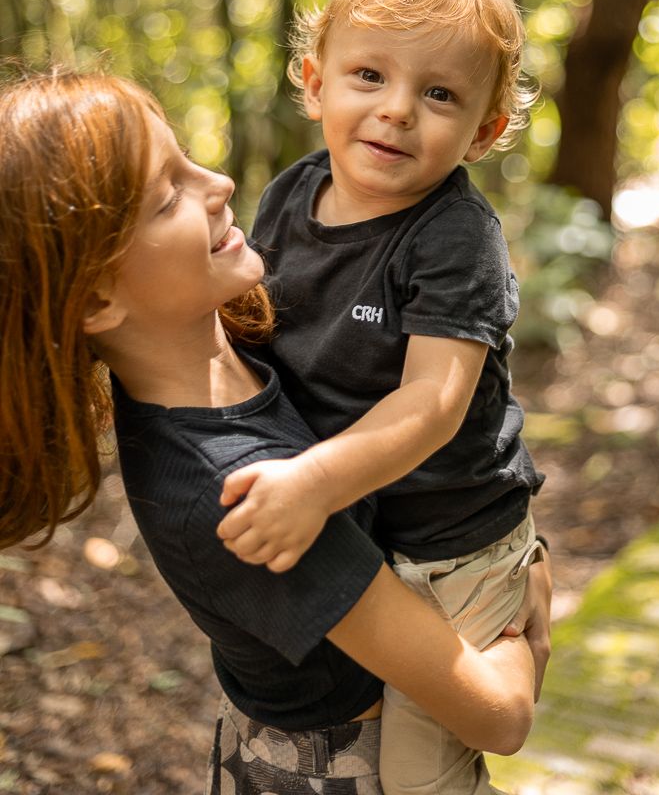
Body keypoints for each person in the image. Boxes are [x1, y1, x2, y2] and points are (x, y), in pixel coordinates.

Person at [0, 68, 551, 795]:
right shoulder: (247, 497)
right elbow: (499, 718)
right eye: (168, 198)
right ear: (96, 297)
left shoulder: (237, 347)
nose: (219, 183)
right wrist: (524, 626)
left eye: (187, 158)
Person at [215, 0, 547, 795]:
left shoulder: (455, 236)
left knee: (418, 775)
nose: (396, 110)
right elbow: (257, 329)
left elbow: (433, 401)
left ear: (484, 130)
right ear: (315, 83)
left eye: (439, 94)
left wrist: (313, 481)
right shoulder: (290, 193)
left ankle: (515, 641)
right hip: (357, 534)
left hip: (451, 546)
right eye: (369, 75)